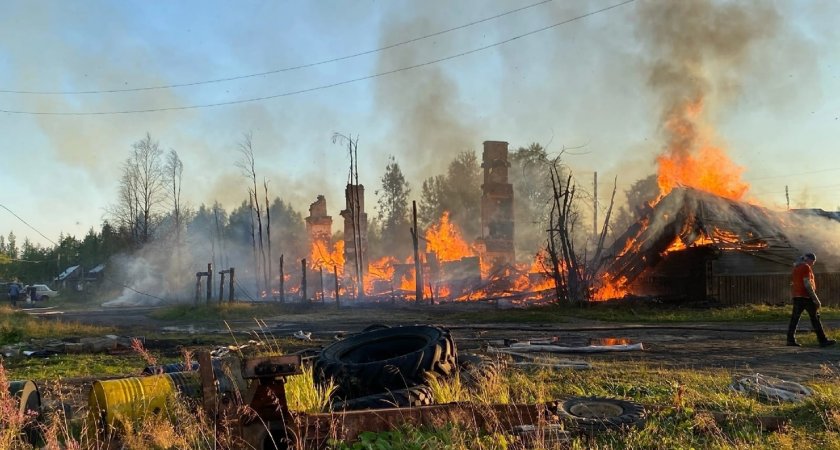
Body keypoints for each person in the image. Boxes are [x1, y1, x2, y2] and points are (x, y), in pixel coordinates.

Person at [787, 253, 836, 347]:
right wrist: (816, 299)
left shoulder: (796, 268)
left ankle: (790, 340)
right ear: (809, 259)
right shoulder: (805, 267)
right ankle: (823, 341)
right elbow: (807, 284)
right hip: (806, 296)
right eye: (813, 261)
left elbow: (793, 283)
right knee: (815, 318)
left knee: (794, 319)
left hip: (797, 296)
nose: (813, 264)